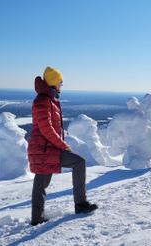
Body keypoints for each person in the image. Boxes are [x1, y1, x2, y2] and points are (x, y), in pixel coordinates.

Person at [28, 66, 98, 226]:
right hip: (45, 149)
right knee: (78, 163)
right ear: (53, 82)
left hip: (45, 148)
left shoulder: (48, 99)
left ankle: (37, 218)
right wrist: (63, 145)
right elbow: (46, 129)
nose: (62, 85)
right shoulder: (43, 101)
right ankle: (80, 204)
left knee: (41, 182)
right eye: (60, 82)